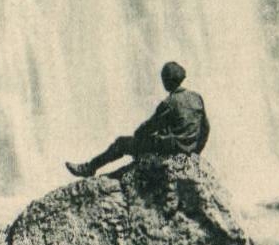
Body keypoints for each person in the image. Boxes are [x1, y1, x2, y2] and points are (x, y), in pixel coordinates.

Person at [65, 60, 209, 178]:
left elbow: (149, 127)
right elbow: (205, 129)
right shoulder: (197, 98)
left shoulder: (170, 103)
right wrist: (195, 151)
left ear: (167, 81)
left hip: (170, 149)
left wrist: (139, 136)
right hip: (189, 149)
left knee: (121, 143)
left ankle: (89, 168)